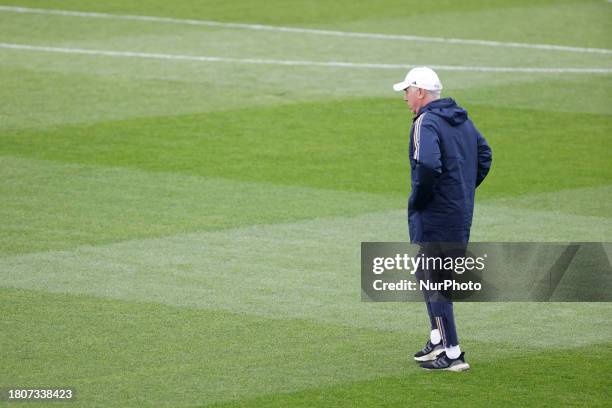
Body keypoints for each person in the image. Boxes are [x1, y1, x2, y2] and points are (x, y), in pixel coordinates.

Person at [393, 67, 492, 371]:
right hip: (457, 212)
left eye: (408, 91)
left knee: (435, 280)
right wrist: (461, 192)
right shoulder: (461, 119)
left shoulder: (426, 122)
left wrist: (420, 200)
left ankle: (452, 353)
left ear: (420, 92)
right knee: (427, 274)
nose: (405, 98)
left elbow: (426, 167)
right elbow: (484, 155)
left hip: (435, 214)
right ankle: (437, 337)